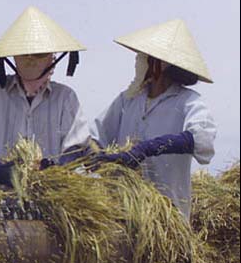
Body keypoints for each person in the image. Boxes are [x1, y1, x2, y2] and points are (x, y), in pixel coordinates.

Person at [91, 19, 216, 220]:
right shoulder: (128, 100)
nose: (138, 61)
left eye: (143, 56)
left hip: (167, 218)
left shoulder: (187, 102)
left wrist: (147, 148)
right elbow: (96, 138)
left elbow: (202, 139)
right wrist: (98, 158)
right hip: (122, 214)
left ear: (160, 64)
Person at [0, 6, 91, 189]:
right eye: (24, 53)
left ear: (52, 57)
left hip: (51, 195)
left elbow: (75, 148)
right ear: (13, 56)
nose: (30, 59)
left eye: (38, 54)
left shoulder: (66, 98)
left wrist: (52, 170)